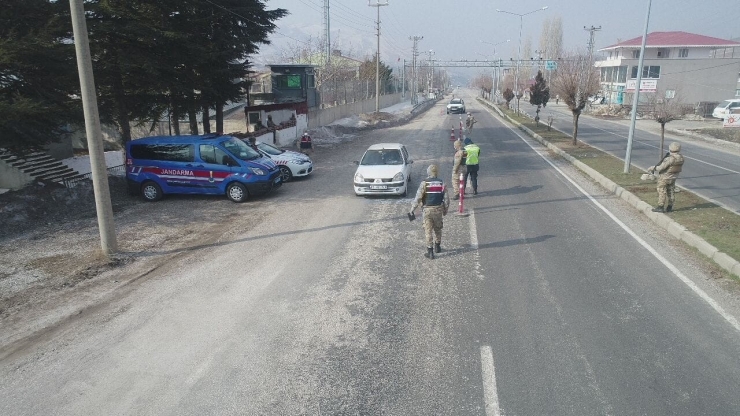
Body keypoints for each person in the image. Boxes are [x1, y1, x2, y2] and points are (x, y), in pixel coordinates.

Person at [410, 164, 450, 259]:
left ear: (428, 172)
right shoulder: (442, 183)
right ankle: (438, 246)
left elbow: (418, 198)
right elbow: (447, 200)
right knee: (438, 228)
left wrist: (412, 209)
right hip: (438, 209)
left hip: (427, 210)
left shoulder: (424, 183)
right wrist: (445, 210)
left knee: (428, 230)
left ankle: (430, 251)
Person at [648, 142, 684, 213]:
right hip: (673, 177)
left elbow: (661, 168)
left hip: (665, 177)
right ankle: (670, 207)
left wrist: (652, 168)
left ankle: (660, 207)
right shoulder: (681, 158)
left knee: (661, 190)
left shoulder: (670, 159)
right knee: (671, 191)